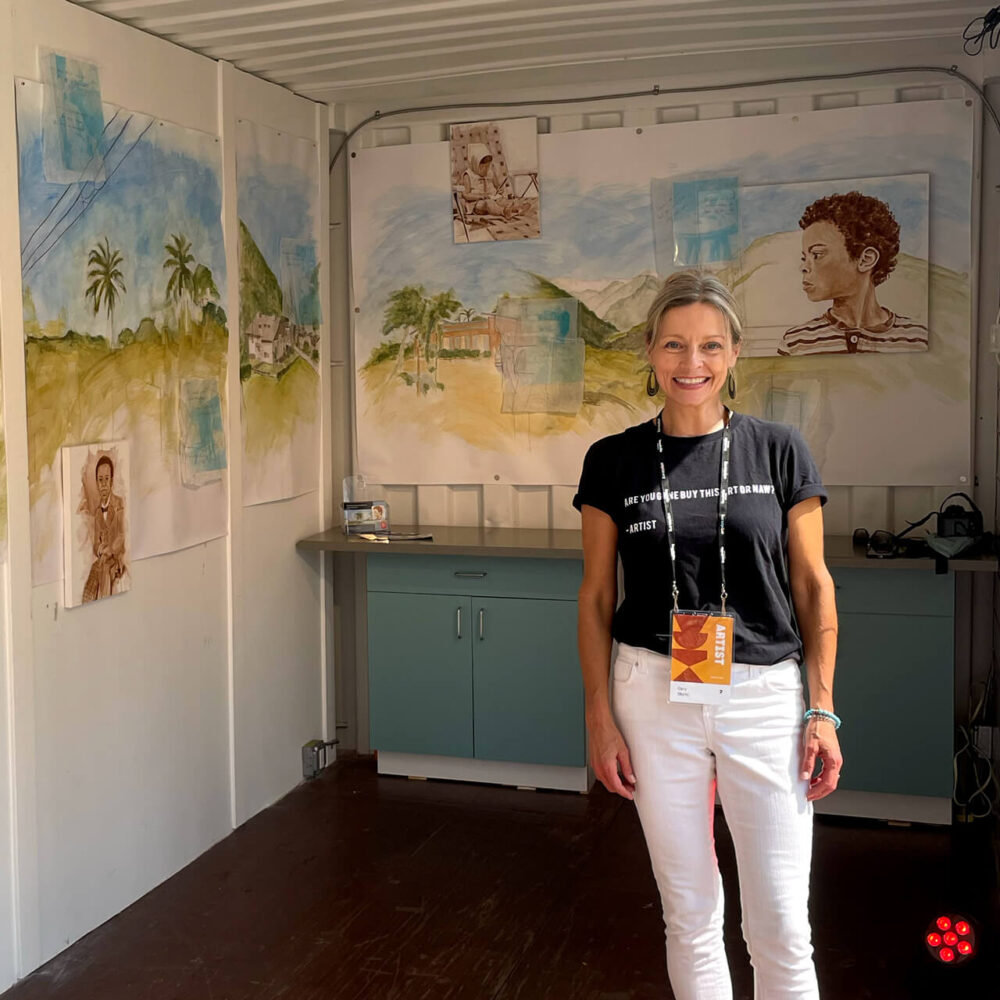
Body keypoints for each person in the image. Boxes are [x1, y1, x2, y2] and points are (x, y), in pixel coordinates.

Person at [575, 270, 841, 999]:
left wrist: (821, 708)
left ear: (733, 354)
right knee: (690, 911)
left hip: (764, 695)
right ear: (651, 354)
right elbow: (598, 595)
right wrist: (600, 716)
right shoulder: (613, 460)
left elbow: (815, 585)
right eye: (674, 345)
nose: (691, 363)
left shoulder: (779, 452)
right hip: (651, 693)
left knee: (783, 922)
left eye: (709, 346)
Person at [779, 191, 928, 355]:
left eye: (817, 255)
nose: (804, 267)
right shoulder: (796, 343)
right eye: (804, 257)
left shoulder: (916, 340)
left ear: (866, 260)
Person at [82, 454, 126, 602]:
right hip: (103, 560)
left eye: (106, 479)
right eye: (100, 480)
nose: (103, 484)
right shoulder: (97, 512)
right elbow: (95, 543)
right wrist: (99, 548)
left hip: (115, 559)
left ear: (111, 481)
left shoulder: (118, 504)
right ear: (96, 483)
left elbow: (121, 535)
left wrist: (110, 549)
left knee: (106, 574)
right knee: (91, 583)